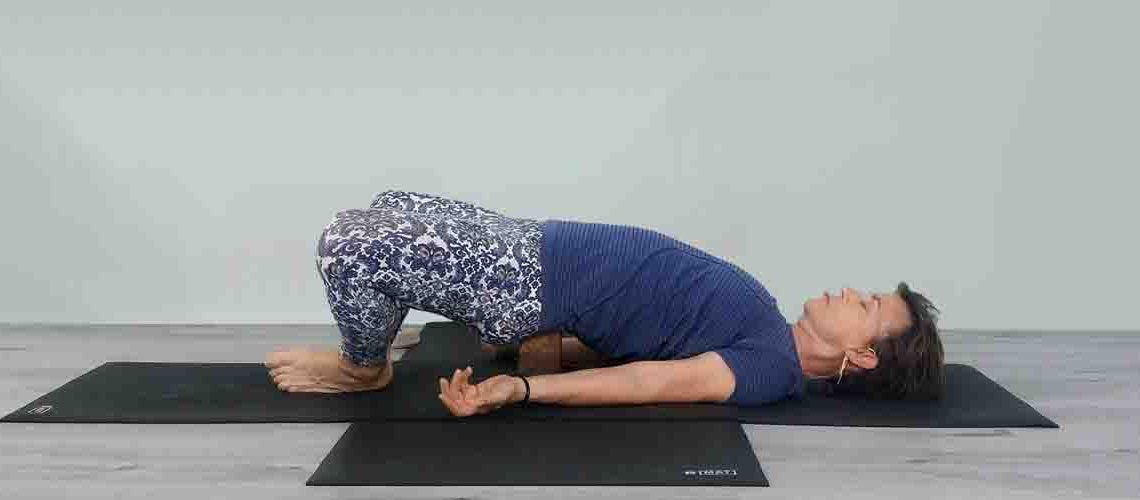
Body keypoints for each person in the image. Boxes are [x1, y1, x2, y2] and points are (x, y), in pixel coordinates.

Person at [264, 190, 944, 417]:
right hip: (536, 246)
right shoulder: (766, 328)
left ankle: (362, 367)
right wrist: (553, 348)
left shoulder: (770, 370)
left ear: (858, 352)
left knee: (344, 245)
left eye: (869, 305)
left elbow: (652, 380)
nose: (851, 292)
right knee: (392, 203)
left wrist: (522, 388)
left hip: (523, 280)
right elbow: (656, 335)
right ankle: (384, 328)